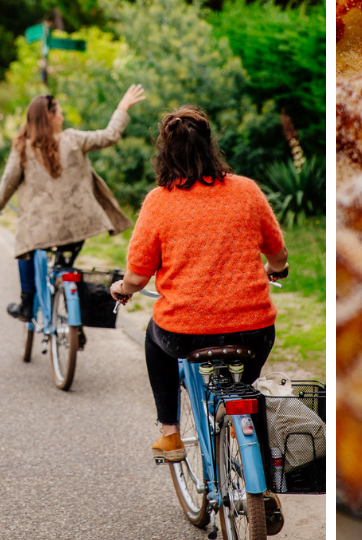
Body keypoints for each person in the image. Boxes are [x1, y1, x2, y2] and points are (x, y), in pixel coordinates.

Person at [110, 105, 289, 464]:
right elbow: (278, 252)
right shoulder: (247, 191)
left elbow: (138, 274)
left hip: (185, 333)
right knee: (244, 390)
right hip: (254, 331)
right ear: (211, 146)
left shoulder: (158, 202)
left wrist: (122, 289)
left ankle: (169, 434)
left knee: (152, 338)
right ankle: (257, 466)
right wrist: (276, 269)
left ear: (166, 153)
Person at [0, 84, 147, 321]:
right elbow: (109, 135)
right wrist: (122, 107)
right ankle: (74, 314)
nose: (62, 116)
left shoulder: (24, 146)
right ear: (50, 116)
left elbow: (8, 182)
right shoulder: (74, 139)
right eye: (59, 112)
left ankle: (26, 303)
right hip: (77, 227)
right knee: (67, 265)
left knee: (25, 248)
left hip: (40, 230)